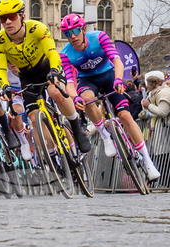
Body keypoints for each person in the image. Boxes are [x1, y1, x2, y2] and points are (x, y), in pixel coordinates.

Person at [59, 14, 159, 181]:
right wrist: (75, 97)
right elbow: (70, 82)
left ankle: (148, 163)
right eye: (67, 34)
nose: (73, 36)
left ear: (83, 29)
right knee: (87, 98)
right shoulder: (65, 53)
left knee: (125, 116)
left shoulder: (99, 37)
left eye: (75, 31)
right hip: (87, 80)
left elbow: (117, 61)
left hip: (108, 75)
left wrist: (119, 79)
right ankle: (105, 136)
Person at [0, 0, 91, 155]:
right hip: (27, 77)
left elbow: (52, 52)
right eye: (3, 19)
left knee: (55, 92)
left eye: (12, 17)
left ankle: (76, 127)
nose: (8, 22)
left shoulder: (37, 28)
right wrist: (5, 87)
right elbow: (0, 70)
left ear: (23, 16)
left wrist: (55, 70)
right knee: (34, 119)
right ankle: (52, 156)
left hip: (47, 69)